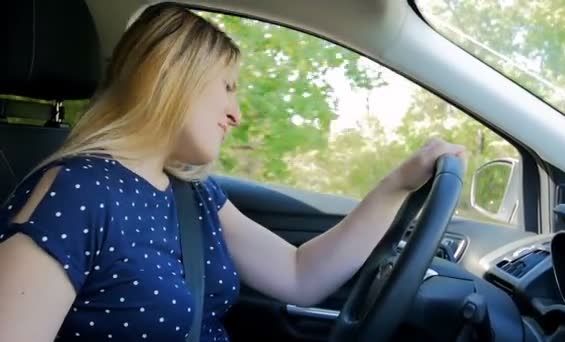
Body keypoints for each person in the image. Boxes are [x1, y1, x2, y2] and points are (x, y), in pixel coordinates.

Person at [0, 3, 466, 342]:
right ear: (169, 76)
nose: (236, 113)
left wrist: (395, 185)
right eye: (226, 87)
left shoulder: (191, 192)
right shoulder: (74, 193)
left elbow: (299, 275)